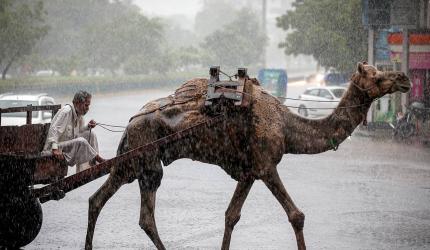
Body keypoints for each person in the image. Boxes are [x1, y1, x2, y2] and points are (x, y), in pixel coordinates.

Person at [43, 90, 105, 173]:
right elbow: (54, 130)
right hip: (56, 147)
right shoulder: (66, 111)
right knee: (81, 141)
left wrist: (88, 127)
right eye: (86, 105)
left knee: (91, 134)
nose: (88, 108)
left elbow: (78, 132)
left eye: (88, 105)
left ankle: (91, 165)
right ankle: (99, 159)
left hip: (66, 146)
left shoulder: (78, 114)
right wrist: (54, 149)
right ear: (78, 103)